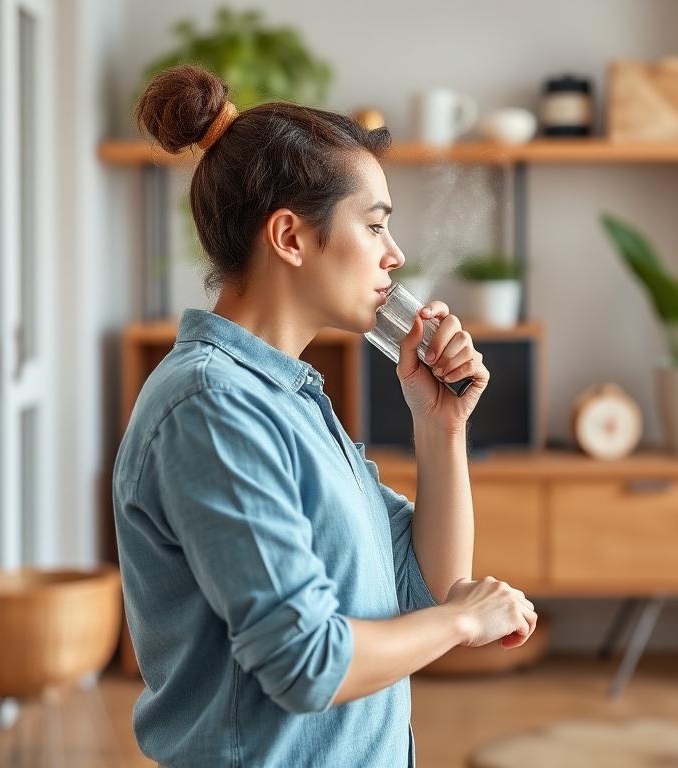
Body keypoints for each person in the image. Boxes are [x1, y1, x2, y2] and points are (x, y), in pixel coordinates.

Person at [113, 64, 537, 768]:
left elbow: (424, 583)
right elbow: (308, 663)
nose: (395, 256)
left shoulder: (290, 398)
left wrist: (441, 426)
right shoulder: (213, 409)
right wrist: (463, 621)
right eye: (374, 226)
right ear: (289, 237)